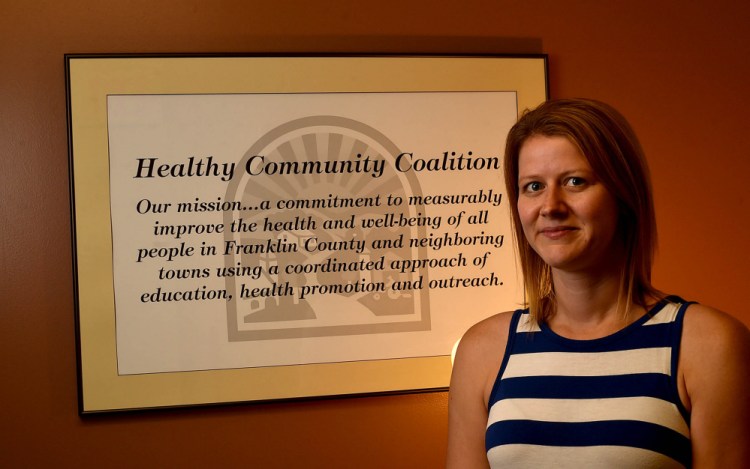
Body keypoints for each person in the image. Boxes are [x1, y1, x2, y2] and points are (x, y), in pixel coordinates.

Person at [446, 98, 750, 468]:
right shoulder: (481, 351)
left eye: (575, 182)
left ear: (623, 196)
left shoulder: (708, 346)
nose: (550, 205)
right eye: (533, 186)